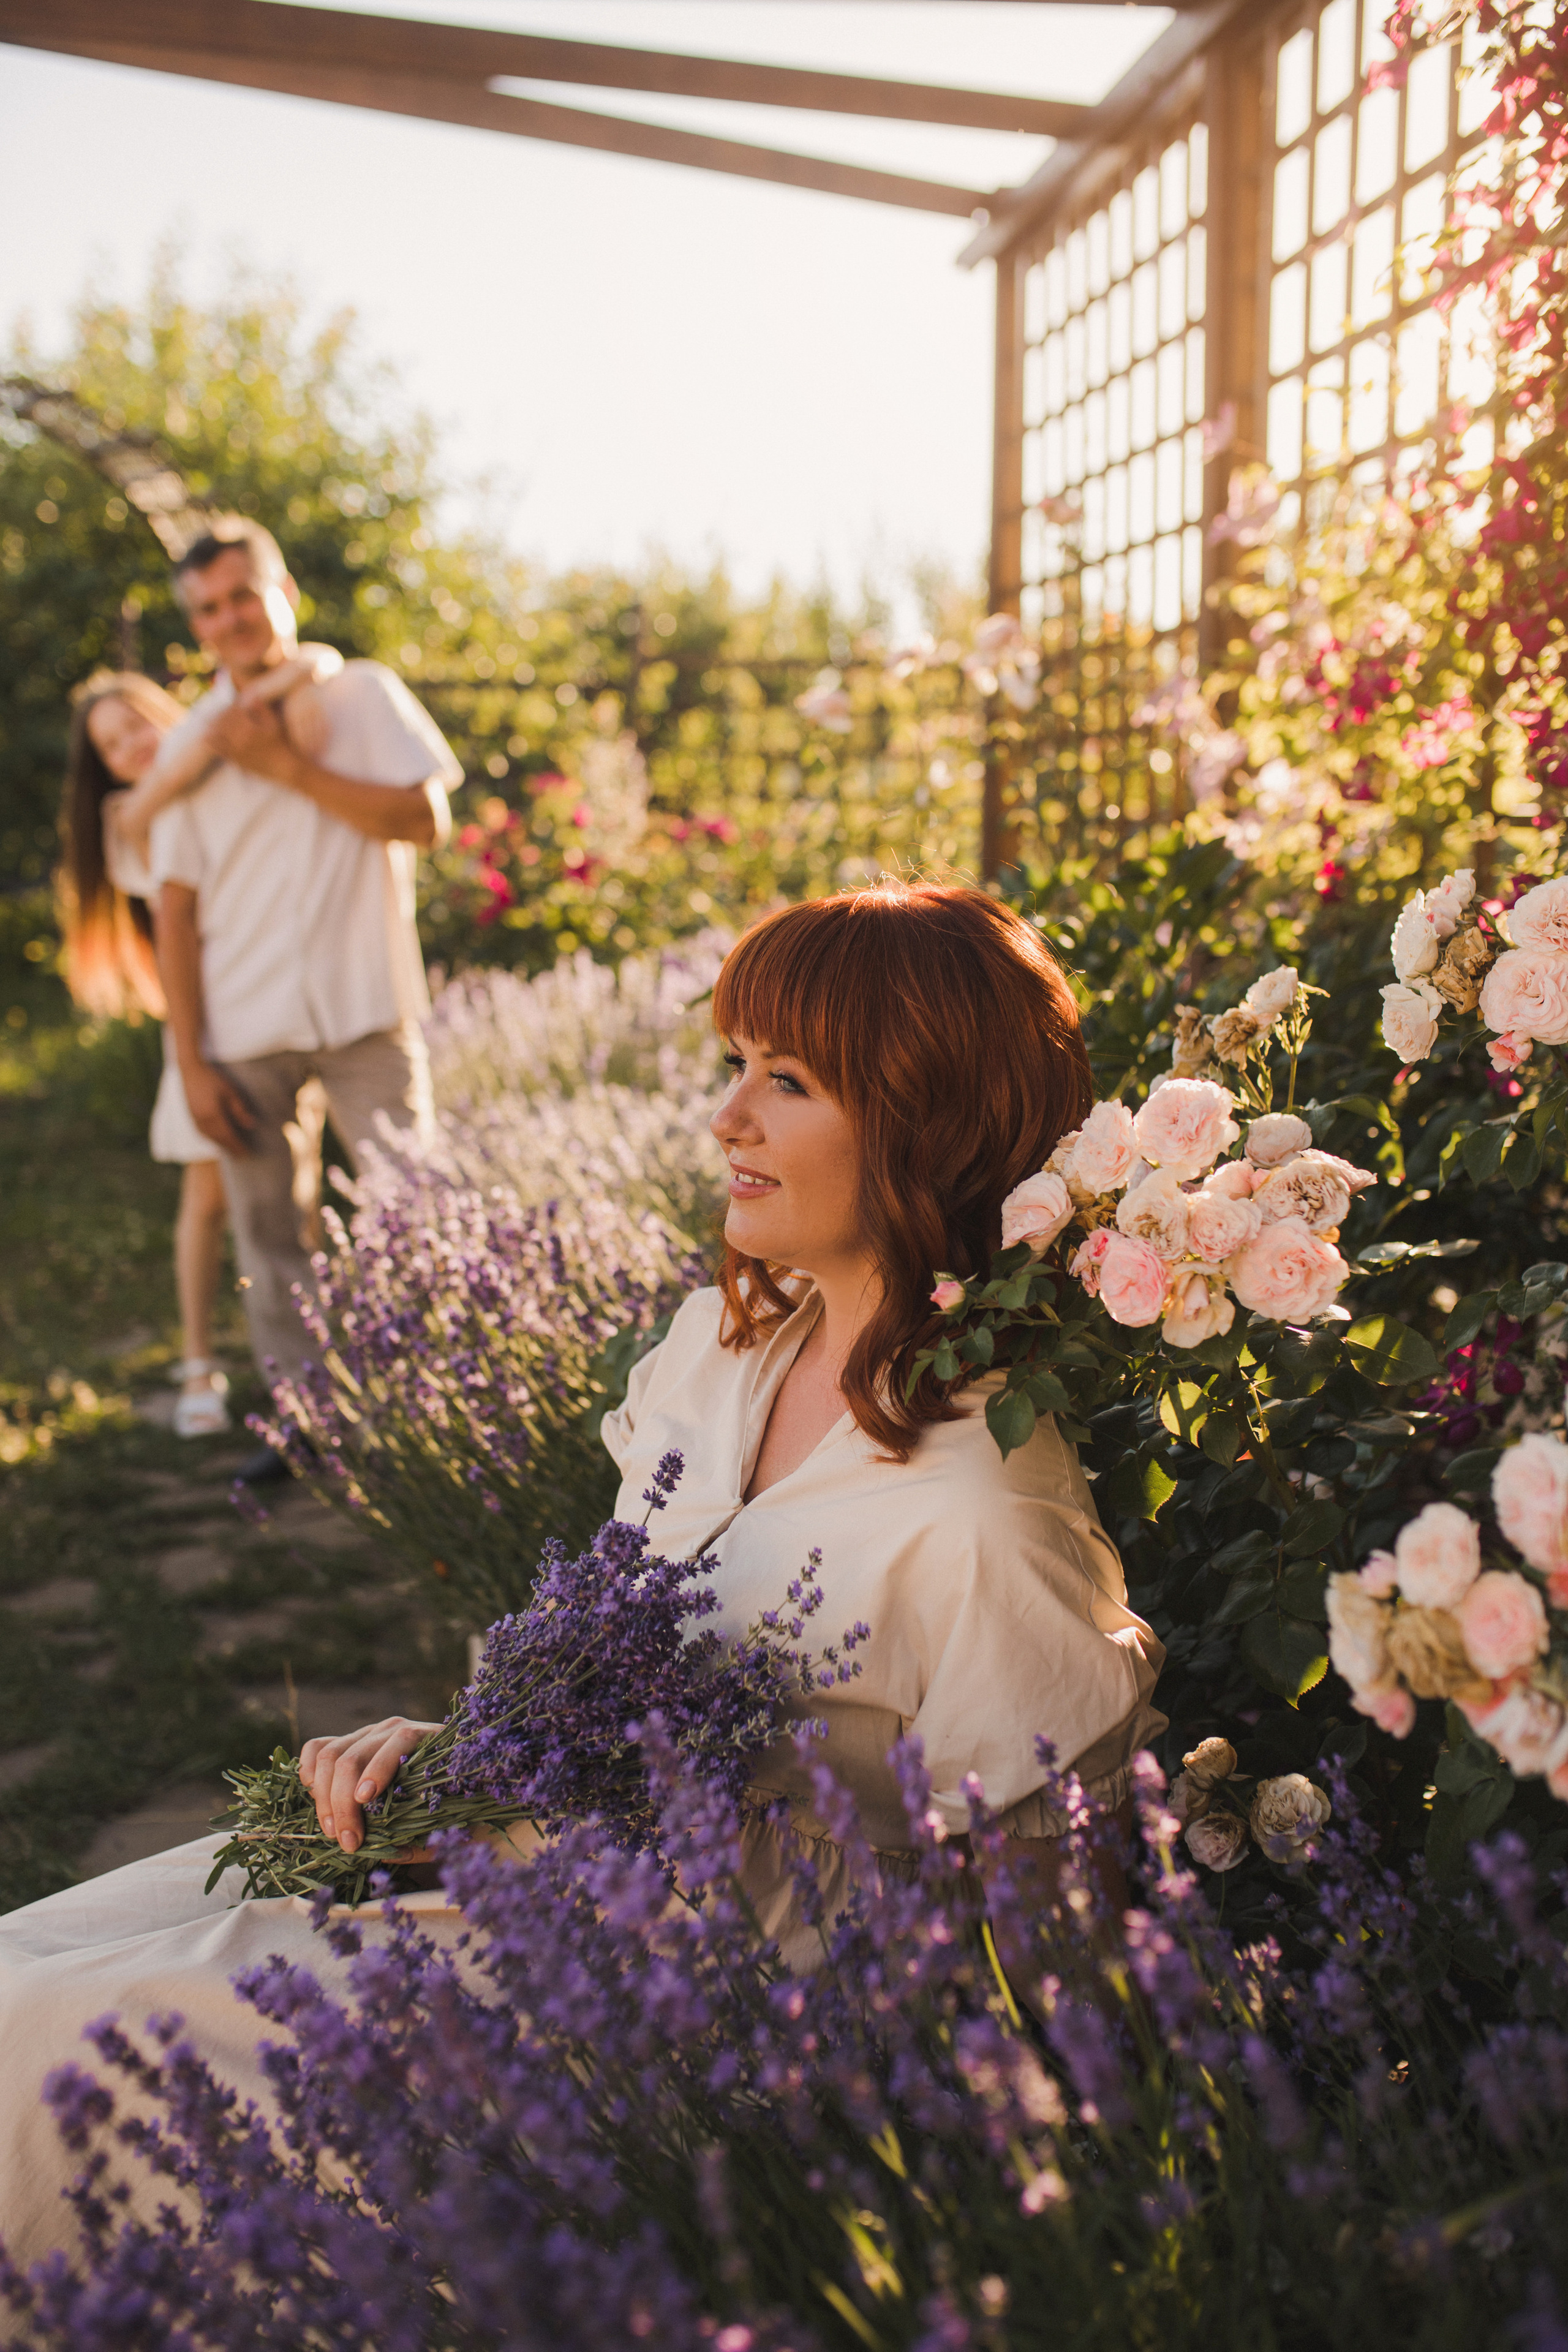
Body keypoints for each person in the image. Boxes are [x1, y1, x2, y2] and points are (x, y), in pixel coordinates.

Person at [0, 881, 1164, 2260]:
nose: (726, 1116)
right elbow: (619, 1654)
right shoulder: (729, 1353)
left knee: (31, 2050)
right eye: (734, 1065)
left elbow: (1038, 1940)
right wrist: (459, 1748)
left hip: (613, 2006)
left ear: (926, 1121)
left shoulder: (979, 1513)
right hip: (481, 1851)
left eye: (785, 1081)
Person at [145, 518, 462, 1483]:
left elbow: (424, 819)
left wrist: (287, 770)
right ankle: (308, 1426)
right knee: (271, 1235)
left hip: (368, 1007)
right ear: (196, 627)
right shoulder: (191, 746)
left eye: (244, 595)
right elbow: (175, 910)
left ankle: (441, 1412)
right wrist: (189, 1062)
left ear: (284, 593)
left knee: (413, 1209)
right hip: (242, 1026)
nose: (231, 618)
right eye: (210, 609)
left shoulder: (362, 695)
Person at [59, 656, 349, 1436]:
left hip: (269, 1011)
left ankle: (314, 1358)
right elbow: (190, 757)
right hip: (202, 1026)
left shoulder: (209, 774)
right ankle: (198, 1360)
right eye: (112, 746)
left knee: (295, 1187)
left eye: (137, 726)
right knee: (207, 1196)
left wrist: (313, 665)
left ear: (164, 713)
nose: (132, 749)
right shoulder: (134, 815)